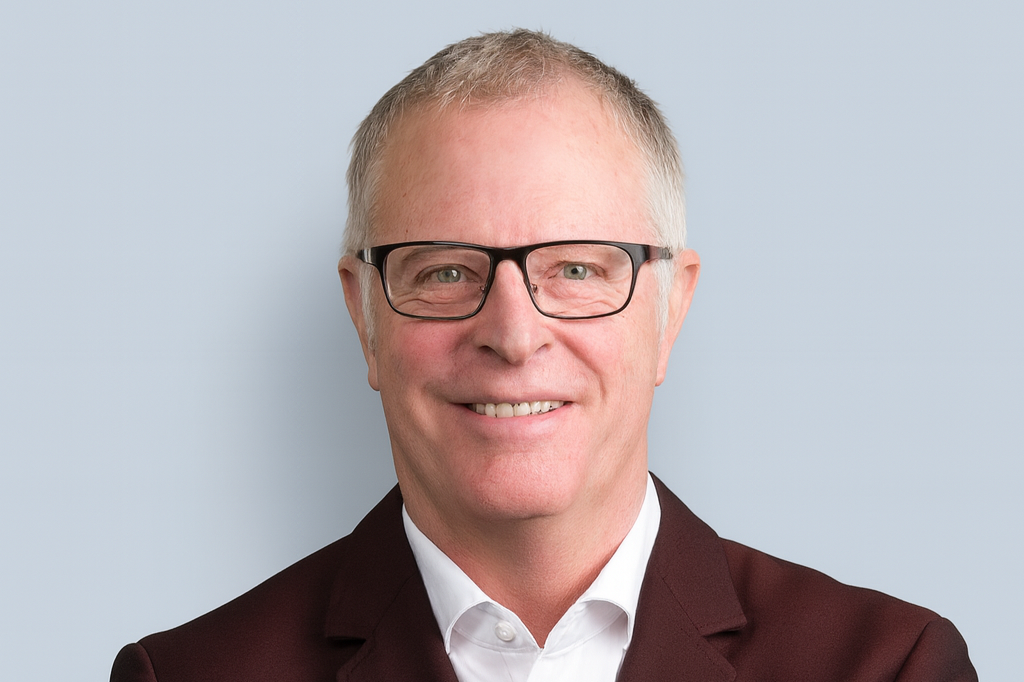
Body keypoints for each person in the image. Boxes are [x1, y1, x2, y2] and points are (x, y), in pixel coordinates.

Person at [110, 29, 977, 681]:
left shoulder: (887, 667)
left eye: (575, 269)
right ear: (362, 312)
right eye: (447, 270)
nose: (515, 335)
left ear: (671, 307)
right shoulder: (188, 675)